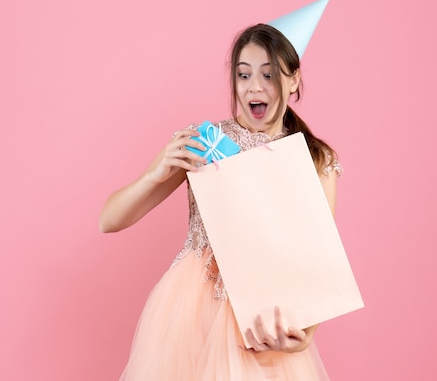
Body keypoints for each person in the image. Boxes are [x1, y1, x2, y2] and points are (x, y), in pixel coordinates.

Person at [100, 22, 342, 380]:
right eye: (243, 75)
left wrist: (307, 336)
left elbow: (317, 260)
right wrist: (155, 172)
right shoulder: (205, 142)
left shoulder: (315, 159)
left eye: (269, 75)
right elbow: (110, 219)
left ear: (293, 80)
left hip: (262, 321)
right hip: (191, 313)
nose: (254, 87)